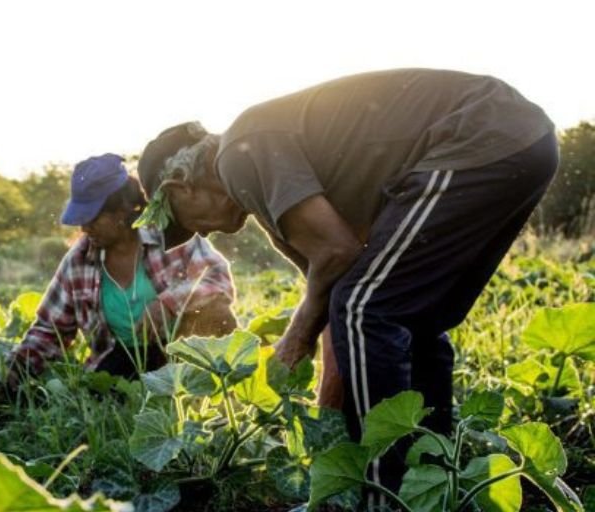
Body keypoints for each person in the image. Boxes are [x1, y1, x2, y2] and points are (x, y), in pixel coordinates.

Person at [136, 69, 557, 501]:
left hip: (477, 135)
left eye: (186, 222)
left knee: (367, 309)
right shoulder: (264, 188)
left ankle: (379, 495)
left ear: (179, 186)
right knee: (414, 321)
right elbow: (337, 291)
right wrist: (326, 426)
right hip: (524, 140)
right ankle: (432, 482)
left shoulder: (238, 153)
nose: (202, 235)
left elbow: (339, 258)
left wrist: (294, 339)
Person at [8, 153, 237, 385]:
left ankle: (216, 386)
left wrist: (168, 304)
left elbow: (217, 279)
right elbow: (49, 330)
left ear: (122, 211)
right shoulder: (78, 261)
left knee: (217, 312)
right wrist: (12, 371)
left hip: (182, 351)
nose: (85, 227)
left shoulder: (171, 236)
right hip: (120, 361)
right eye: (81, 219)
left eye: (93, 218)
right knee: (104, 394)